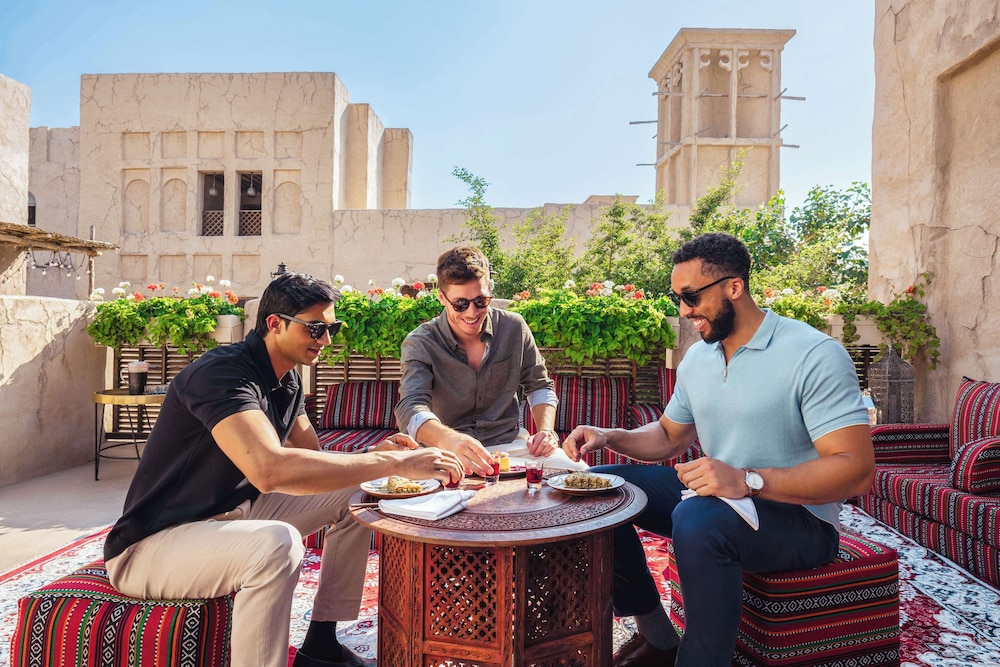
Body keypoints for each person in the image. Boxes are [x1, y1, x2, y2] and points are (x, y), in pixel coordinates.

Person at [103, 272, 463, 667]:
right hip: (154, 544)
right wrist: (395, 462)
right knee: (279, 544)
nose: (326, 340)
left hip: (232, 515)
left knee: (361, 491)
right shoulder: (222, 374)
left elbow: (313, 459)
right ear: (275, 323)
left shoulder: (286, 380)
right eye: (316, 328)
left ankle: (321, 644)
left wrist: (373, 457)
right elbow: (270, 470)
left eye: (331, 328)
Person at [563, 232, 875, 667]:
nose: (683, 311)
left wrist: (747, 480)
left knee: (698, 519)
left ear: (734, 286)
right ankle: (657, 639)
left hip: (802, 518)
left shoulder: (813, 354)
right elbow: (669, 436)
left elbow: (857, 471)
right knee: (600, 492)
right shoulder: (699, 358)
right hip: (719, 498)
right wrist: (610, 435)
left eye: (691, 297)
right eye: (677, 298)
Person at [395, 245, 587, 475]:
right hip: (445, 452)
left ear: (490, 291)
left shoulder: (514, 327)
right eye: (460, 304)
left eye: (481, 301)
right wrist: (448, 439)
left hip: (511, 447)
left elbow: (540, 385)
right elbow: (410, 407)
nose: (471, 313)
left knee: (581, 475)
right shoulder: (420, 342)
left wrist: (546, 432)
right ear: (442, 298)